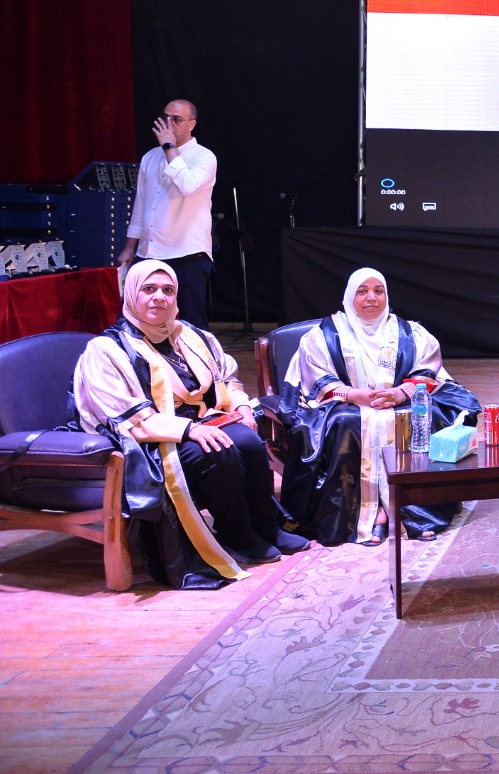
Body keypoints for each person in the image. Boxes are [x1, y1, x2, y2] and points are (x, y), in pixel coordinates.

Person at [72, 259, 308, 589]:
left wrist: (240, 404)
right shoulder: (107, 349)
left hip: (200, 422)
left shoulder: (191, 336)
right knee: (216, 451)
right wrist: (190, 430)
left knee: (249, 441)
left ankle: (266, 527)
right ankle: (238, 535)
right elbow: (121, 415)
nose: (159, 297)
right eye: (149, 289)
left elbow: (226, 377)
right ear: (131, 294)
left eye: (167, 290)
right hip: (147, 439)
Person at [277, 268, 476, 546]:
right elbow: (316, 376)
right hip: (344, 404)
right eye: (362, 291)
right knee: (347, 422)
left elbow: (427, 370)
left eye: (378, 291)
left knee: (420, 416)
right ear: (350, 296)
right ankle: (363, 515)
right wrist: (352, 394)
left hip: (399, 401)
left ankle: (411, 511)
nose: (371, 297)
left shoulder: (410, 332)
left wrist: (401, 392)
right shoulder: (323, 334)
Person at [118, 99, 217, 332]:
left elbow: (188, 186)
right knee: (140, 317)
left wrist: (170, 148)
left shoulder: (204, 156)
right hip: (150, 251)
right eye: (166, 118)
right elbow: (141, 204)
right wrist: (130, 246)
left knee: (192, 322)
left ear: (192, 124)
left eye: (177, 120)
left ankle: (199, 356)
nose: (169, 124)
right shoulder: (150, 157)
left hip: (187, 252)